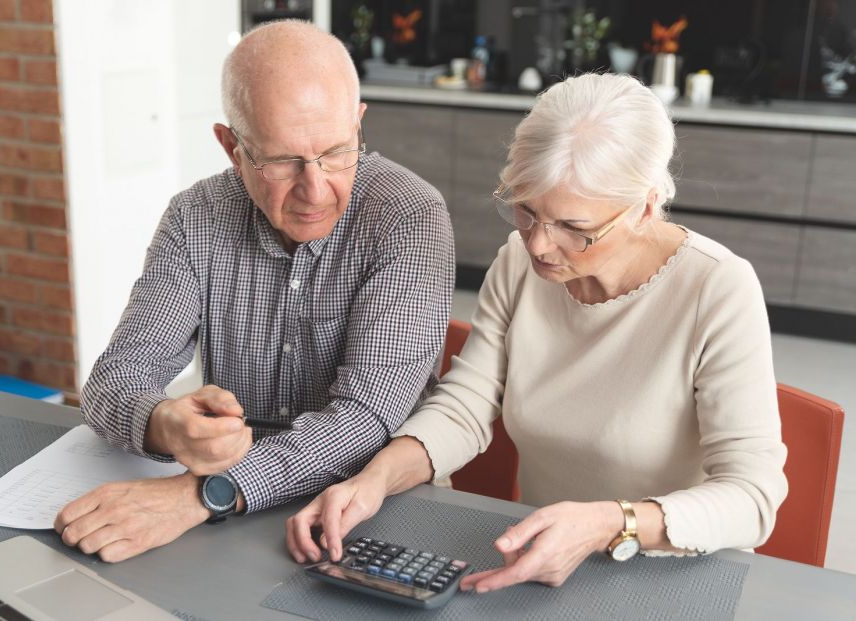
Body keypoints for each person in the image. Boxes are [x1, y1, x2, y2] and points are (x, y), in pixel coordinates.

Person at [286, 72, 788, 591]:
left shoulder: (718, 288)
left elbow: (752, 498)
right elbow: (466, 406)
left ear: (643, 206)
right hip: (544, 564)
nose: (539, 246)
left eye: (575, 228)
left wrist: (608, 524)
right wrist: (374, 479)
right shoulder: (518, 263)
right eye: (526, 210)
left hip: (680, 571)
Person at [54, 21, 454, 562]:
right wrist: (162, 423)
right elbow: (114, 378)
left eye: (337, 152)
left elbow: (365, 419)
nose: (315, 189)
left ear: (359, 124)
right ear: (231, 147)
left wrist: (200, 495)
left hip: (373, 517)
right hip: (227, 530)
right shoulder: (195, 217)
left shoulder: (409, 216)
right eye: (283, 161)